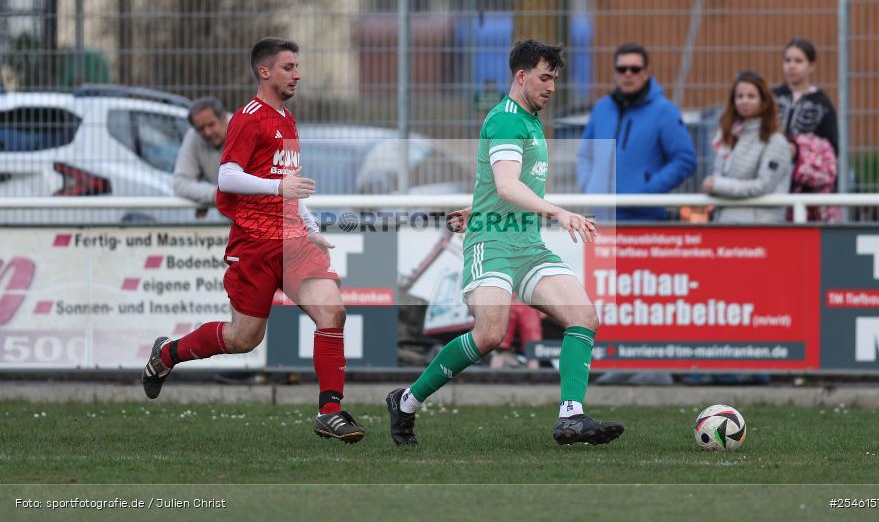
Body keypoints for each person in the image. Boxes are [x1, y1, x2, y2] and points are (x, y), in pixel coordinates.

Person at [386, 40, 624, 447]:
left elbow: (500, 186)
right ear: (521, 75)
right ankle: (406, 401)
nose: (551, 87)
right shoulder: (506, 120)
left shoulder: (530, 120)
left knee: (584, 317)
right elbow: (507, 185)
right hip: (492, 244)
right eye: (545, 78)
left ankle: (571, 416)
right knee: (490, 334)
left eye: (555, 79)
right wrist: (559, 212)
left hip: (527, 245)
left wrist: (472, 207)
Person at [142, 37, 365, 443]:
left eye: (297, 67)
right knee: (243, 339)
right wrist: (278, 188)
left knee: (332, 313)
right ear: (264, 72)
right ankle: (166, 354)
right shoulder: (247, 118)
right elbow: (227, 176)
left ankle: (330, 412)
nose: (297, 74)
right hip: (255, 244)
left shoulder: (288, 119)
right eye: (288, 67)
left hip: (294, 242)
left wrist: (312, 230)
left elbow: (291, 184)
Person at [576, 43, 696, 221]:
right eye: (622, 69)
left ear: (647, 72)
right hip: (601, 217)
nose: (628, 74)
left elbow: (685, 160)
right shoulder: (601, 108)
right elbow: (585, 154)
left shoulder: (664, 111)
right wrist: (589, 186)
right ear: (615, 73)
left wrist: (647, 191)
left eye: (635, 69)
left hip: (644, 220)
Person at [702, 71, 792, 223]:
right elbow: (718, 175)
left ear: (763, 101)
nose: (744, 101)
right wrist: (713, 184)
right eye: (740, 96)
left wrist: (718, 185)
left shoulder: (775, 141)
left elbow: (763, 186)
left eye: (751, 96)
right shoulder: (729, 136)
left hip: (758, 229)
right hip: (725, 223)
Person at [772, 38, 840, 221]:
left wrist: (801, 150)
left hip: (806, 188)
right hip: (772, 180)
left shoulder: (822, 103)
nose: (791, 66)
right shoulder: (772, 97)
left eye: (798, 61)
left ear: (811, 66)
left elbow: (832, 149)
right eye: (787, 60)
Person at [173, 97, 229, 215]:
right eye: (200, 128)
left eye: (211, 124)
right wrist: (213, 195)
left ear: (224, 117)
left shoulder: (244, 129)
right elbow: (180, 183)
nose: (207, 132)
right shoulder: (193, 137)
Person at [489, 300, 543, 370]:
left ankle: (493, 378)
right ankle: (493, 379)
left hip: (520, 302)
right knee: (499, 348)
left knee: (532, 350)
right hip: (513, 301)